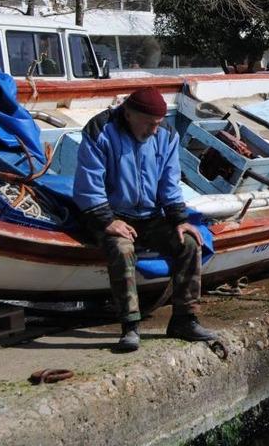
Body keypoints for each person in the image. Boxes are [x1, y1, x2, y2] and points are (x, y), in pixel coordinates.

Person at [73, 87, 217, 352]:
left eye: (158, 124)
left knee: (188, 243)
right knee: (121, 247)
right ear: (129, 114)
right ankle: (130, 326)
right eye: (150, 124)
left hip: (150, 217)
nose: (154, 130)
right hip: (113, 215)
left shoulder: (166, 135)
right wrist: (107, 221)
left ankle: (185, 319)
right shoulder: (100, 131)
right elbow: (88, 184)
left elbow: (170, 182)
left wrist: (178, 219)